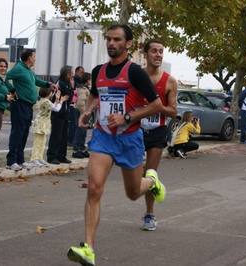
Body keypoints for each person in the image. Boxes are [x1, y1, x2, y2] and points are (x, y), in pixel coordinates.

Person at [67, 24, 166, 266]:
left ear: (128, 44)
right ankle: (88, 248)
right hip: (103, 137)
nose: (112, 43)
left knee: (133, 193)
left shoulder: (135, 73)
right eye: (109, 39)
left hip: (129, 138)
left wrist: (128, 117)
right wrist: (88, 111)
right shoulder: (98, 70)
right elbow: (95, 94)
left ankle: (152, 180)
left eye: (117, 40)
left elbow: (156, 105)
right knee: (94, 188)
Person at [140, 40, 178, 231]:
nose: (158, 55)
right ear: (145, 54)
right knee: (137, 175)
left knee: (150, 174)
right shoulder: (136, 76)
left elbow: (173, 112)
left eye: (161, 51)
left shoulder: (169, 81)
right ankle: (151, 184)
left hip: (157, 131)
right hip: (136, 130)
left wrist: (156, 107)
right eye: (154, 51)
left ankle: (149, 214)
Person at [6, 49, 58, 171]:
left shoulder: (28, 70)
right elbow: (4, 78)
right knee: (17, 132)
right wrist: (12, 90)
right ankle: (11, 161)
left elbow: (37, 80)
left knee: (24, 133)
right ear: (29, 58)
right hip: (20, 104)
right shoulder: (19, 68)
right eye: (34, 56)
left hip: (28, 106)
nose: (35, 59)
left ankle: (20, 160)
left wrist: (48, 84)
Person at [29, 87, 69, 167]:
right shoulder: (45, 101)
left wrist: (57, 99)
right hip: (40, 123)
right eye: (51, 92)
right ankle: (34, 158)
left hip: (44, 123)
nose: (52, 93)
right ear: (48, 93)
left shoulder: (45, 101)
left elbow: (53, 106)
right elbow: (56, 108)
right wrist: (61, 100)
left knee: (42, 141)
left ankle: (39, 157)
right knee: (38, 141)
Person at [47, 65, 75, 165]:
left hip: (65, 112)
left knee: (64, 136)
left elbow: (70, 98)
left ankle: (61, 156)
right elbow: (68, 95)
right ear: (67, 74)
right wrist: (72, 87)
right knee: (56, 135)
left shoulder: (67, 82)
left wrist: (71, 88)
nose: (73, 75)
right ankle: (52, 156)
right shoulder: (61, 83)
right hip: (58, 112)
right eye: (72, 73)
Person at [72, 72, 91, 159]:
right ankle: (76, 150)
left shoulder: (86, 88)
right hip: (81, 112)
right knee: (79, 131)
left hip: (84, 112)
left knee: (83, 132)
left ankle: (82, 148)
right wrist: (84, 113)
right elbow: (80, 103)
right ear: (88, 80)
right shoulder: (83, 89)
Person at [67, 66, 84, 147]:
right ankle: (70, 140)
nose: (82, 74)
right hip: (73, 104)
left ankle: (72, 139)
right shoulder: (75, 80)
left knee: (75, 123)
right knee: (73, 123)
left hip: (76, 104)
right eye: (81, 72)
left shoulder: (80, 81)